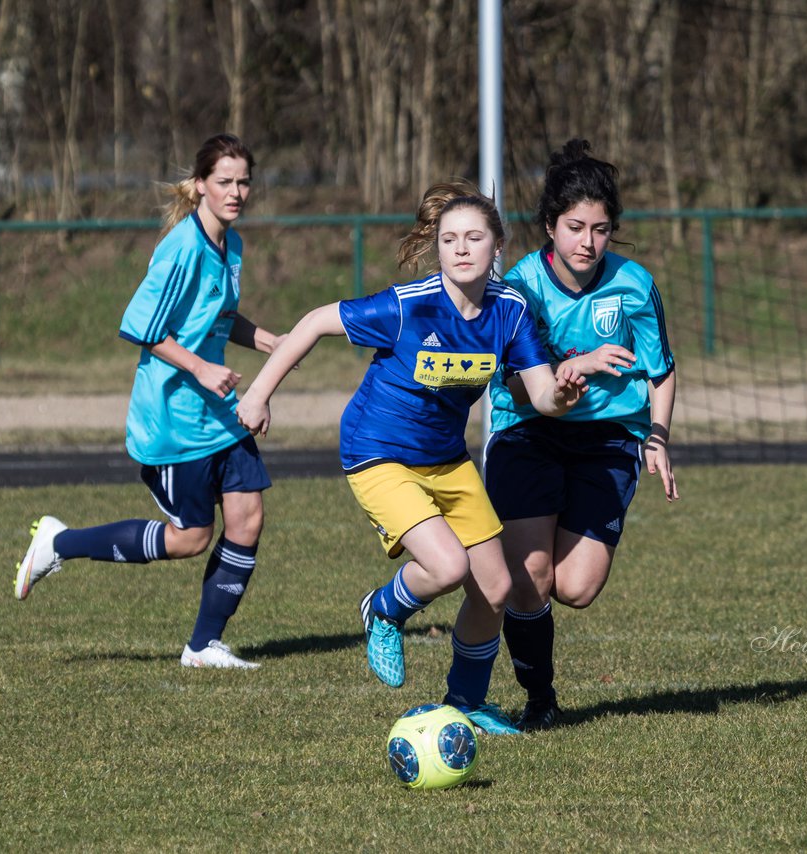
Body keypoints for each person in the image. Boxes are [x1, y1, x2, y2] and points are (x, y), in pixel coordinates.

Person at [235, 181, 586, 733]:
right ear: (438, 248)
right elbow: (315, 322)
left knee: (495, 588)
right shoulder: (409, 306)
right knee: (446, 567)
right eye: (450, 239)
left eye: (474, 237)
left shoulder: (510, 312)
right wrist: (257, 394)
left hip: (446, 458)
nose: (462, 248)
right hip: (378, 453)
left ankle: (465, 702)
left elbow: (541, 395)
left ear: (499, 246)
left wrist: (564, 392)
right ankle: (383, 609)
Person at [14, 133, 284, 670]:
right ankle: (59, 543)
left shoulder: (233, 246)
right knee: (190, 539)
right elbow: (141, 327)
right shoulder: (182, 247)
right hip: (173, 418)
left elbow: (219, 318)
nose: (235, 192)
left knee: (248, 517)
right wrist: (203, 367)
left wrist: (272, 344)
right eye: (224, 182)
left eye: (243, 181)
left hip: (217, 415)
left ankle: (203, 646)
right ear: (201, 185)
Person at [485, 139, 679, 730]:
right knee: (532, 576)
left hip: (608, 438)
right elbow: (515, 387)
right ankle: (539, 699)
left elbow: (662, 371)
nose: (587, 242)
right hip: (527, 432)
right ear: (549, 226)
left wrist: (659, 438)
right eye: (574, 227)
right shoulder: (519, 287)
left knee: (577, 587)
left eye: (600, 229)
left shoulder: (634, 284)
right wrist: (566, 375)